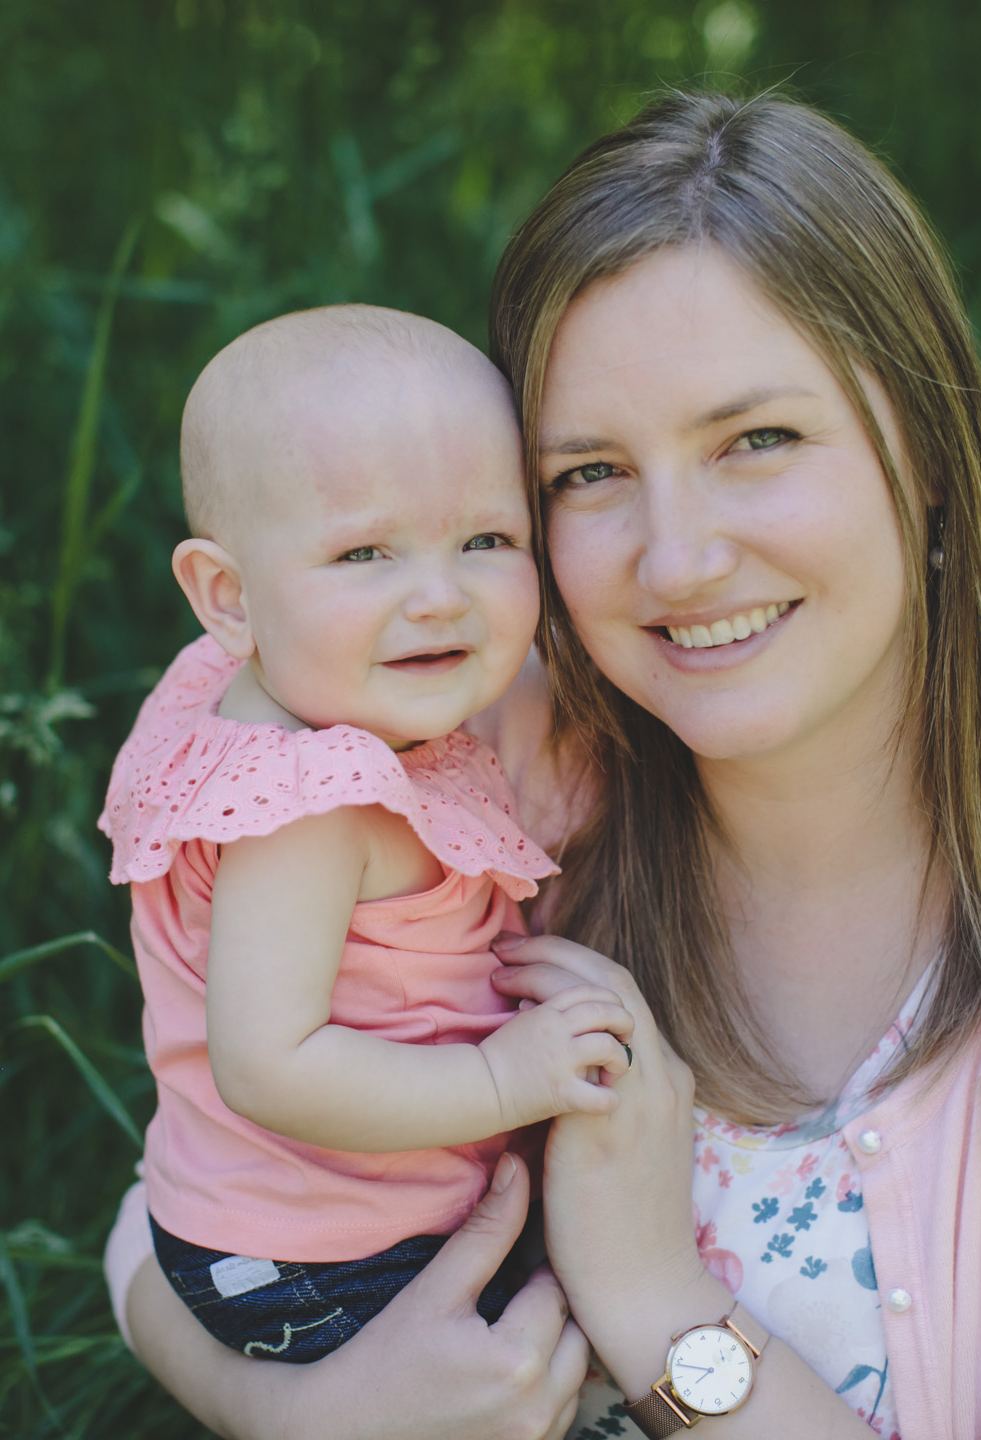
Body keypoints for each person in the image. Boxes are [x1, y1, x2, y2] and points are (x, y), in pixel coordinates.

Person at [105, 90, 981, 1439]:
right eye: (592, 473)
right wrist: (288, 1412)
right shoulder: (471, 769)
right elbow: (177, 1199)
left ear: (931, 449)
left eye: (757, 442)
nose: (679, 560)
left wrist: (656, 1302)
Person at [98, 305, 634, 1365]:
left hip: (318, 1220)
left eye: (486, 540)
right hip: (323, 1257)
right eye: (364, 552)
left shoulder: (259, 684)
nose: (438, 598)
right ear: (227, 596)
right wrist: (502, 1083)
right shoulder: (312, 806)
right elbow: (269, 1064)